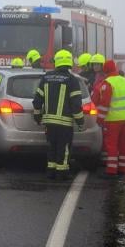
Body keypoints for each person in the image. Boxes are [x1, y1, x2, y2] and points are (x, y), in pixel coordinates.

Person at [33, 50, 84, 180]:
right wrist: (80, 121)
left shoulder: (46, 77)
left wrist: (37, 116)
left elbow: (37, 100)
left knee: (52, 146)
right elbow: (76, 104)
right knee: (64, 148)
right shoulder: (72, 80)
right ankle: (61, 173)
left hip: (49, 122)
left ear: (56, 61)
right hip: (65, 123)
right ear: (69, 62)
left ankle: (50, 171)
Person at [96, 60, 125, 178]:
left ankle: (111, 171)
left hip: (114, 119)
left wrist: (100, 120)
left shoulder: (107, 83)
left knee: (111, 144)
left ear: (105, 70)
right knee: (123, 143)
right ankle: (123, 168)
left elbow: (104, 104)